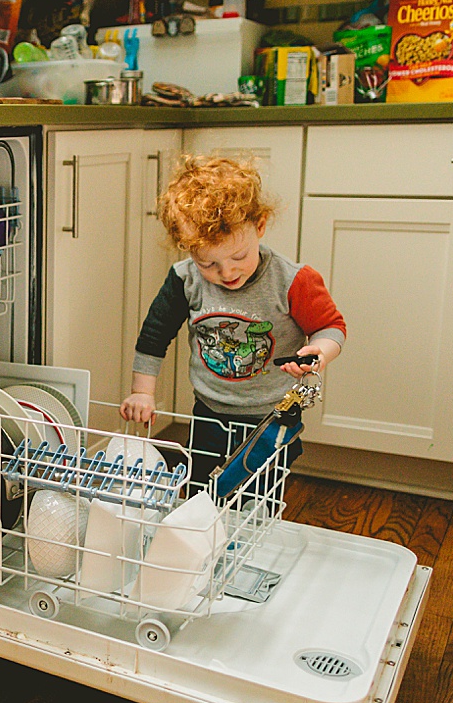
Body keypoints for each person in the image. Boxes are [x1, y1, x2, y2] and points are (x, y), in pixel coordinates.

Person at [118, 155, 346, 485]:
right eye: (208, 263)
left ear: (261, 225)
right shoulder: (185, 279)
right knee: (202, 493)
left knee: (257, 503)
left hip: (272, 416)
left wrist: (319, 352)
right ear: (186, 247)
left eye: (238, 256)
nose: (227, 272)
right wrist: (142, 391)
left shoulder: (292, 280)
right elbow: (155, 333)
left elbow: (331, 327)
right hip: (209, 412)